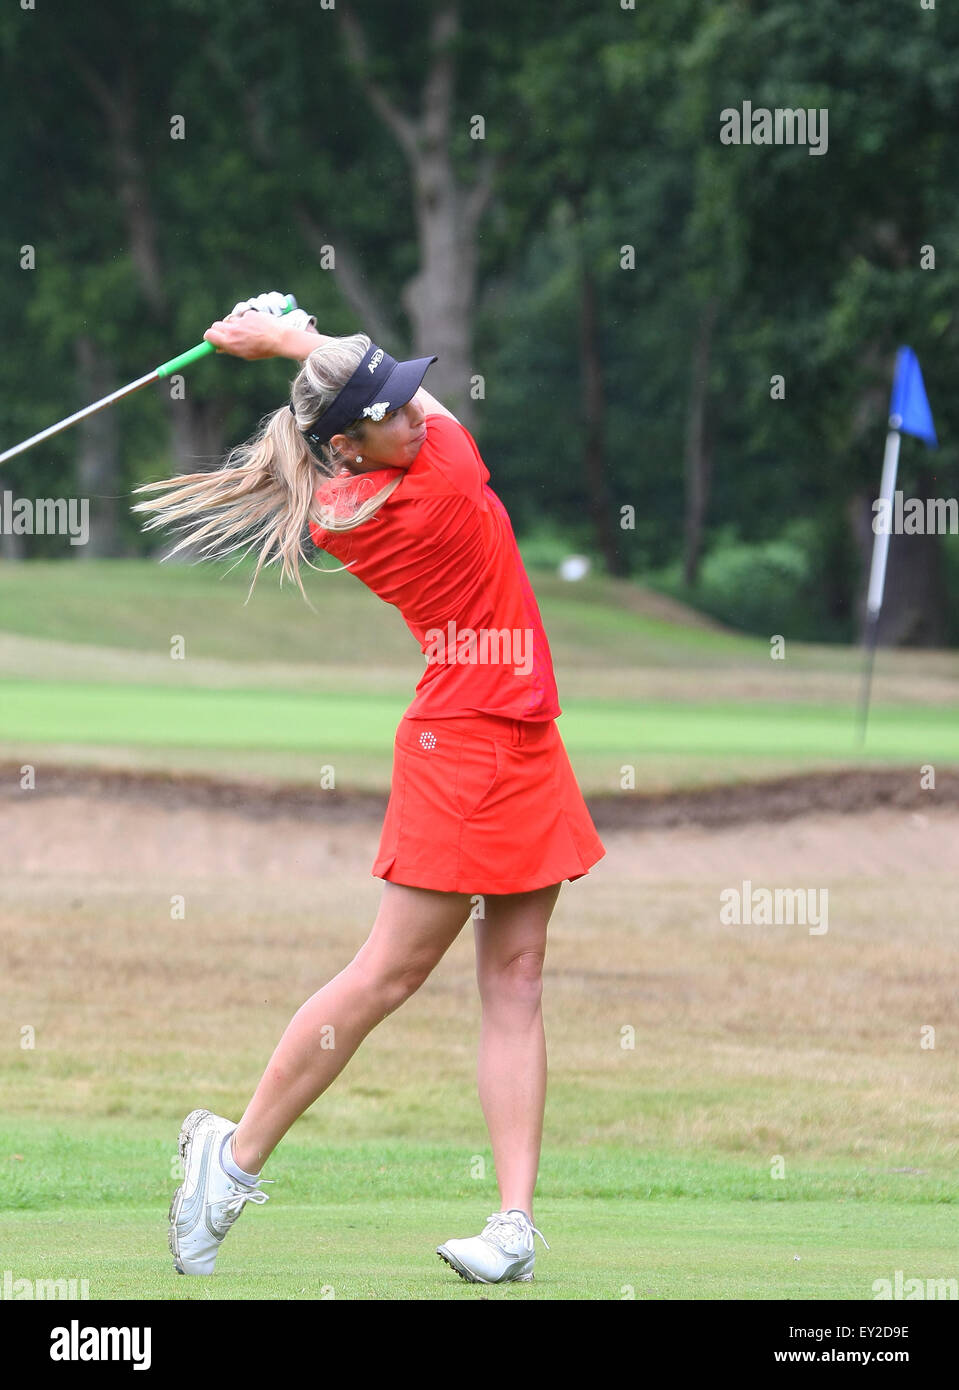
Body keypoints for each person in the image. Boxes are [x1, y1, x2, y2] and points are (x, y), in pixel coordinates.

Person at [132, 291, 606, 1285]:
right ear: (349, 445)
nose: (410, 409)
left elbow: (379, 400)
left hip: (520, 739)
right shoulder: (430, 479)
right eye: (386, 409)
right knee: (385, 976)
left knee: (515, 982)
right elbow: (439, 421)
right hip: (461, 747)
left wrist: (288, 350)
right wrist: (287, 339)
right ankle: (234, 1156)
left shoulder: (348, 491)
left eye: (402, 402)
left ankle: (513, 1225)